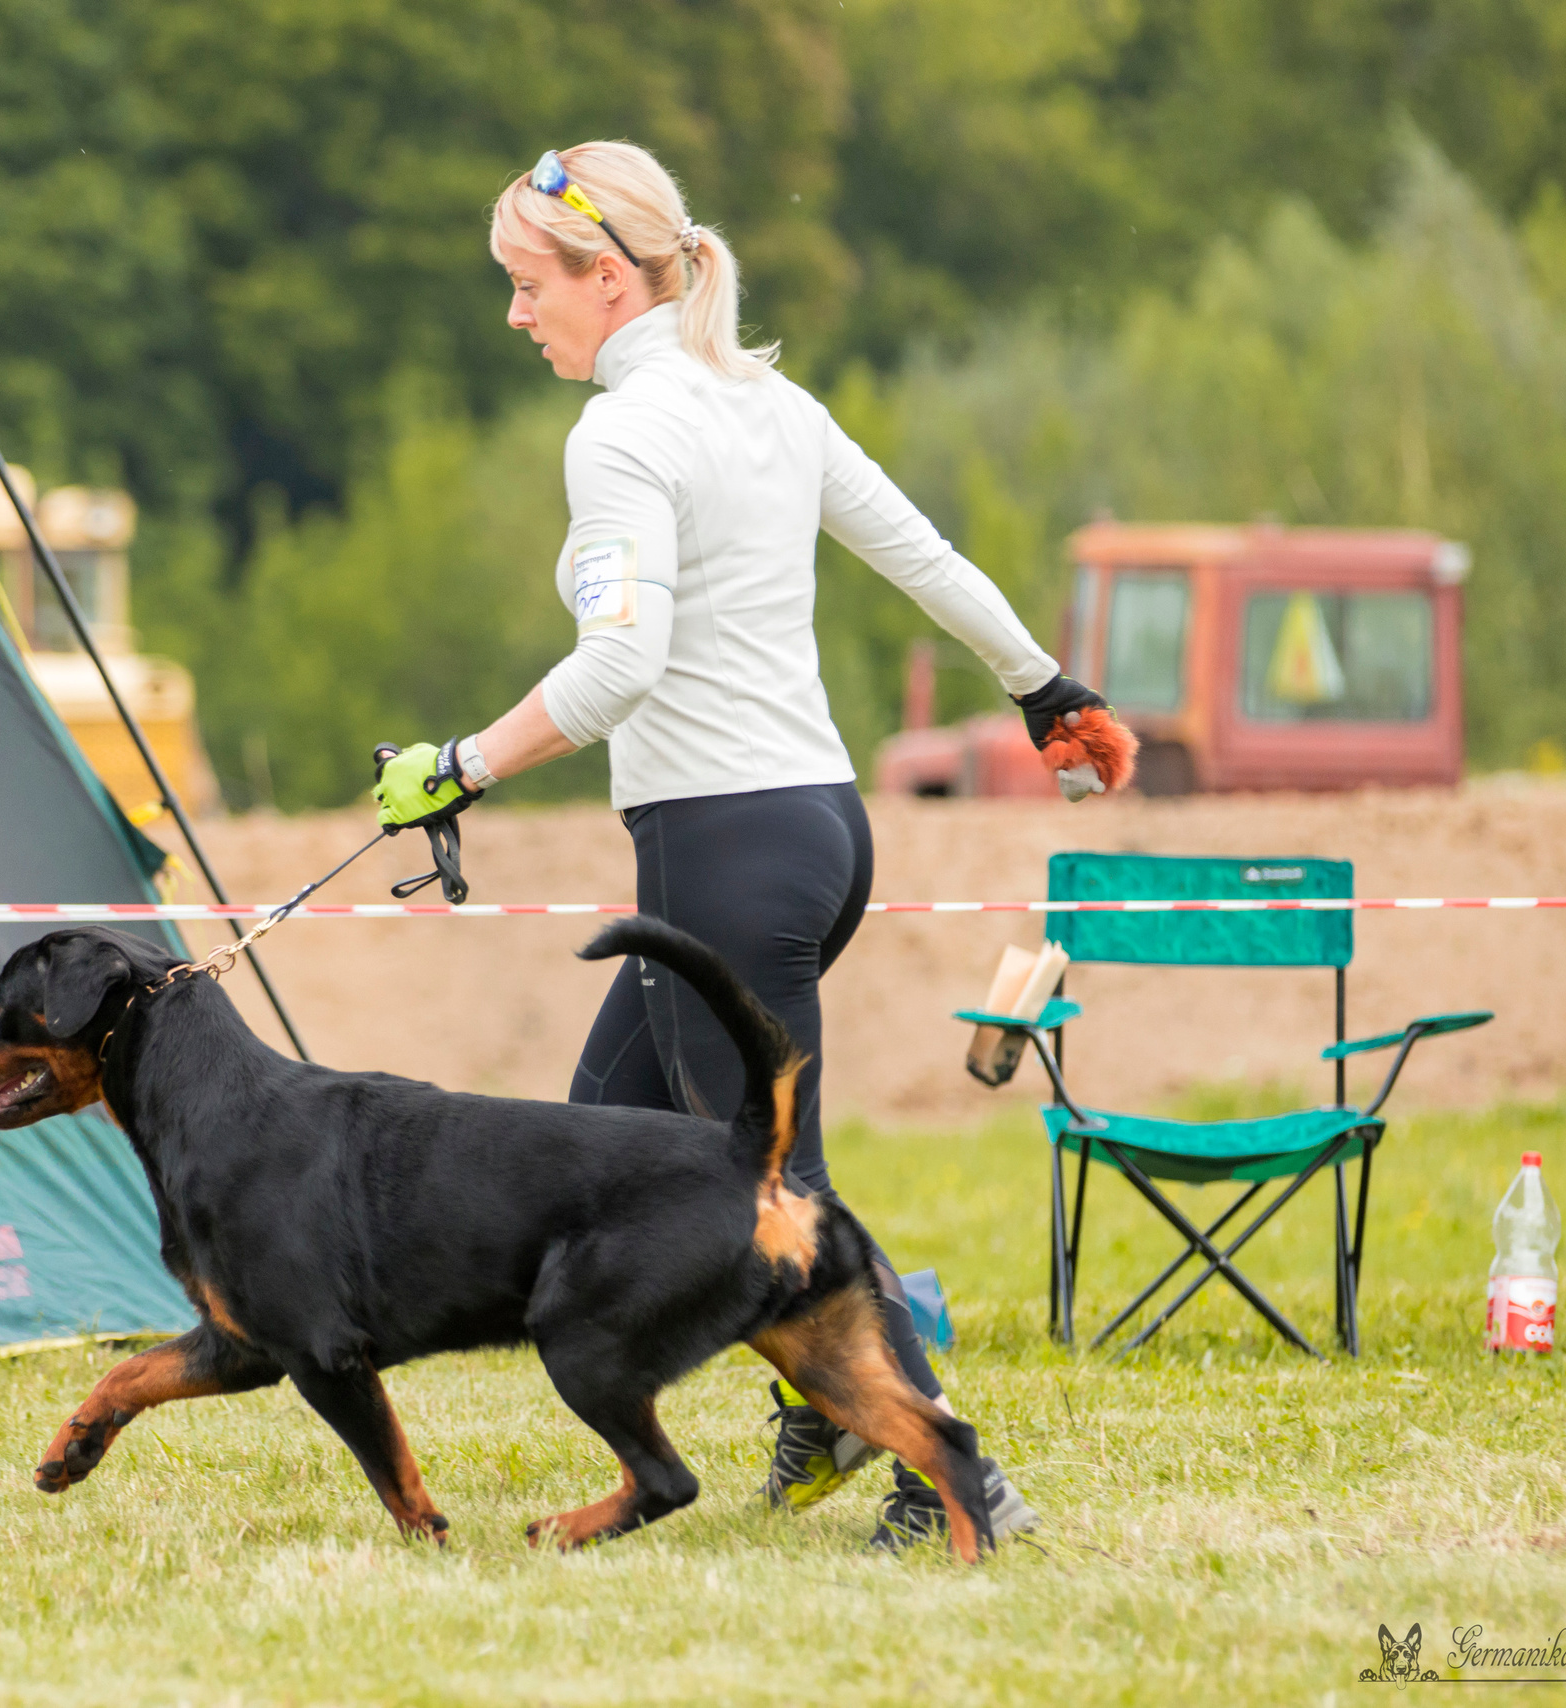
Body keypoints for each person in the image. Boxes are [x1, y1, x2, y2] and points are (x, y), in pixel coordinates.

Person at [370, 142, 1122, 1549]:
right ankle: (815, 1407)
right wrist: (1042, 686)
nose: (516, 314)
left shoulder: (623, 433)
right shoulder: (769, 401)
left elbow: (617, 668)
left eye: (529, 286)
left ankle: (951, 1478)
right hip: (815, 833)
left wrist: (458, 767)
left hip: (723, 855)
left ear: (609, 277)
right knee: (611, 1138)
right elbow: (925, 557)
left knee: (786, 1197)